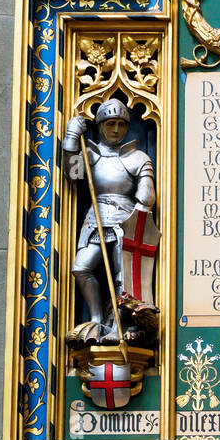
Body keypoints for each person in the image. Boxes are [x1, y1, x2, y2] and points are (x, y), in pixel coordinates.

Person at [63, 99, 155, 338]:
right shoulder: (90, 154)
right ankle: (95, 320)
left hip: (125, 220)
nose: (116, 130)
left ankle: (120, 324)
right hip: (95, 218)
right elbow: (73, 176)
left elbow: (147, 196)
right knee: (81, 268)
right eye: (110, 124)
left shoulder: (138, 157)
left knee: (122, 276)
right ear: (101, 124)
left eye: (121, 125)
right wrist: (72, 140)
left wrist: (143, 195)